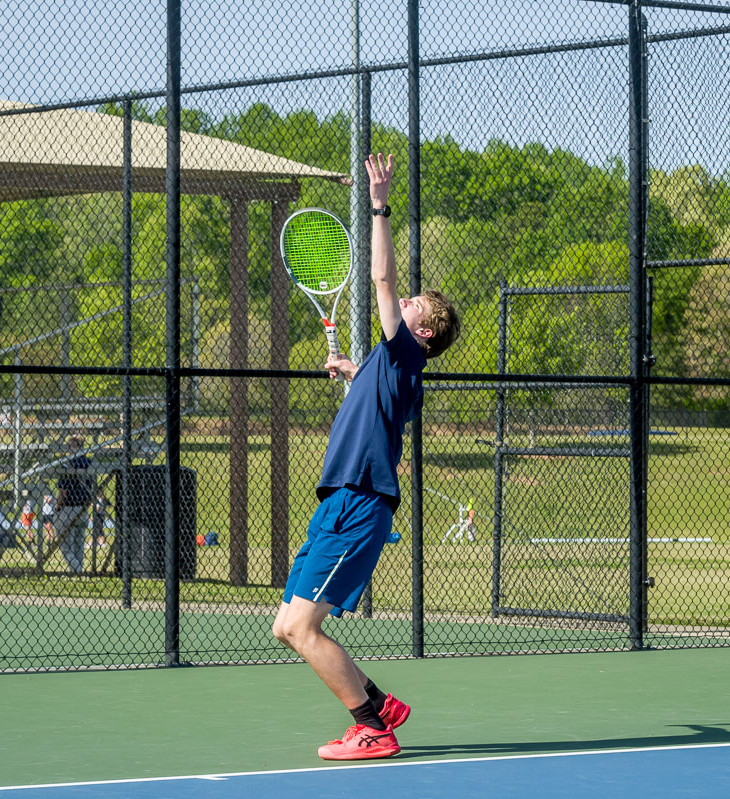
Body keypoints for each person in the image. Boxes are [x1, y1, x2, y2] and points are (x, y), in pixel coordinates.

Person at [271, 153, 460, 762]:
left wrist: (379, 205)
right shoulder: (387, 367)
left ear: (422, 334)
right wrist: (355, 373)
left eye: (412, 306)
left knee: (303, 628)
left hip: (358, 504)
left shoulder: (406, 356)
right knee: (285, 627)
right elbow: (378, 404)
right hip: (339, 500)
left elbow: (379, 279)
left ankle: (373, 728)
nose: (399, 302)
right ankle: (378, 704)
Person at [55, 436, 93, 574]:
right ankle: (79, 570)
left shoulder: (67, 463)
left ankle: (76, 570)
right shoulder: (89, 462)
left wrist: (57, 507)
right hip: (83, 507)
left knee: (65, 544)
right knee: (79, 544)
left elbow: (63, 491)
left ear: (71, 446)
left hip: (68, 507)